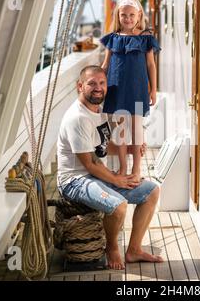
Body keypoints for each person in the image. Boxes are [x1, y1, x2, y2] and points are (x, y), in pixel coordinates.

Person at [57, 65, 163, 270]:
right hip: (75, 180)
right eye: (92, 84)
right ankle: (112, 247)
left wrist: (133, 148)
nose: (98, 88)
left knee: (151, 192)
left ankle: (133, 250)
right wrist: (117, 179)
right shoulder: (78, 118)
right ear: (80, 86)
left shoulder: (99, 112)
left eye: (102, 83)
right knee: (118, 205)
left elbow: (103, 149)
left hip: (96, 175)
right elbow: (89, 163)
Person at [100, 0, 160, 182]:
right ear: (118, 15)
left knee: (136, 130)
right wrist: (98, 86)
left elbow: (151, 65)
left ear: (139, 14)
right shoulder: (113, 38)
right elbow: (105, 64)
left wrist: (153, 89)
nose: (127, 19)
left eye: (131, 15)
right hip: (116, 88)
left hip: (137, 89)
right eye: (123, 15)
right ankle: (123, 167)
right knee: (121, 131)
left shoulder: (146, 38)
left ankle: (136, 169)